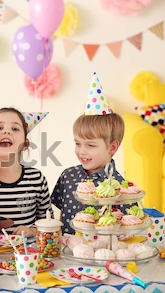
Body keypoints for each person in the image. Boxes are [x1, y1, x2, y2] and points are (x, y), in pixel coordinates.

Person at [51, 72, 128, 235]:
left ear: (112, 148)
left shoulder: (118, 187)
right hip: (67, 252)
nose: (82, 151)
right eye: (77, 143)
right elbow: (61, 215)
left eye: (90, 145)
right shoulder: (68, 176)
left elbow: (124, 229)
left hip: (99, 255)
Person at [0, 107, 52, 238]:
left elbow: (48, 223)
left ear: (25, 144)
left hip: (26, 256)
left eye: (15, 129)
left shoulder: (36, 179)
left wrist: (32, 231)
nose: (6, 131)